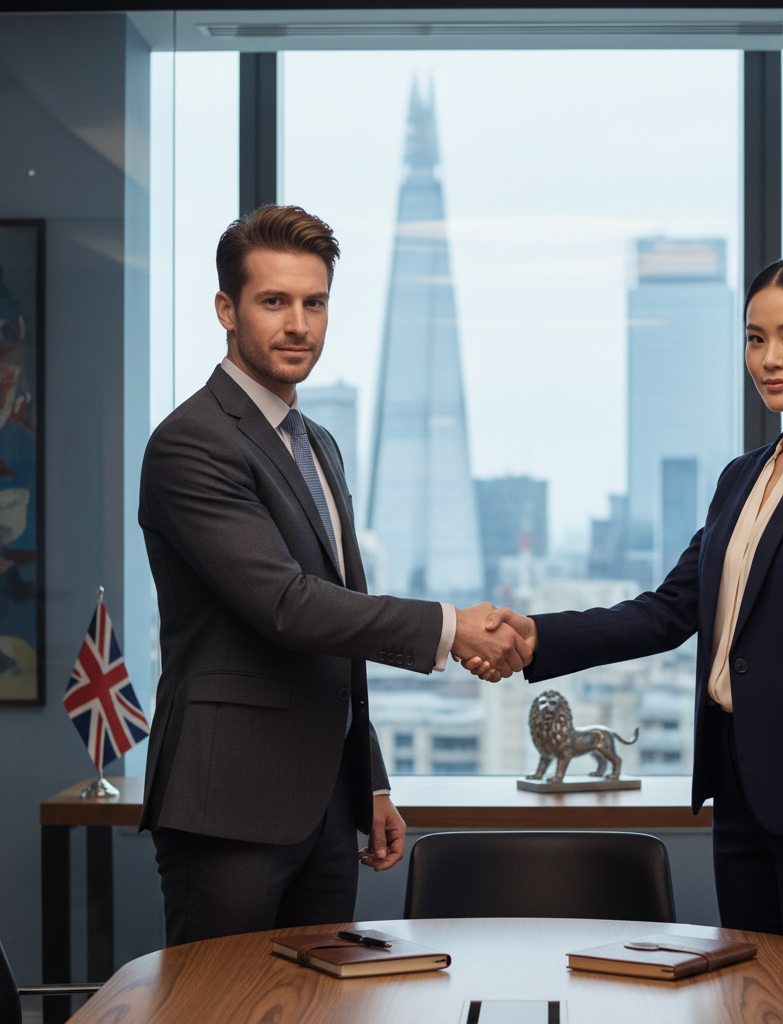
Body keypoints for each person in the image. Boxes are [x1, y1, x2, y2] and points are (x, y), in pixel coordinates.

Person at [470, 253, 783, 963]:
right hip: (739, 790)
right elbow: (669, 609)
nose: (769, 359)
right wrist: (536, 637)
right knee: (751, 994)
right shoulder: (741, 477)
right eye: (755, 338)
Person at [138, 205, 533, 945]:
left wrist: (369, 779)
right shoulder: (191, 442)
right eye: (274, 302)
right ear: (226, 309)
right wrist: (450, 626)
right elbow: (288, 607)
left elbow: (342, 617)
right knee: (219, 1000)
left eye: (314, 303)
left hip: (323, 808)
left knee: (323, 996)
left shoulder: (318, 444)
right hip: (228, 803)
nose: (298, 325)